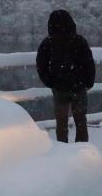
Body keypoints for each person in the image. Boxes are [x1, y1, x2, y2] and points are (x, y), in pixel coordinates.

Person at [36, 10, 95, 143]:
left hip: (59, 88)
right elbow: (88, 63)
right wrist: (89, 82)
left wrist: (49, 82)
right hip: (78, 87)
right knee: (80, 120)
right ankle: (82, 149)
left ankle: (62, 151)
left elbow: (41, 65)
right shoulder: (79, 41)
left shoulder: (48, 43)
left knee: (61, 122)